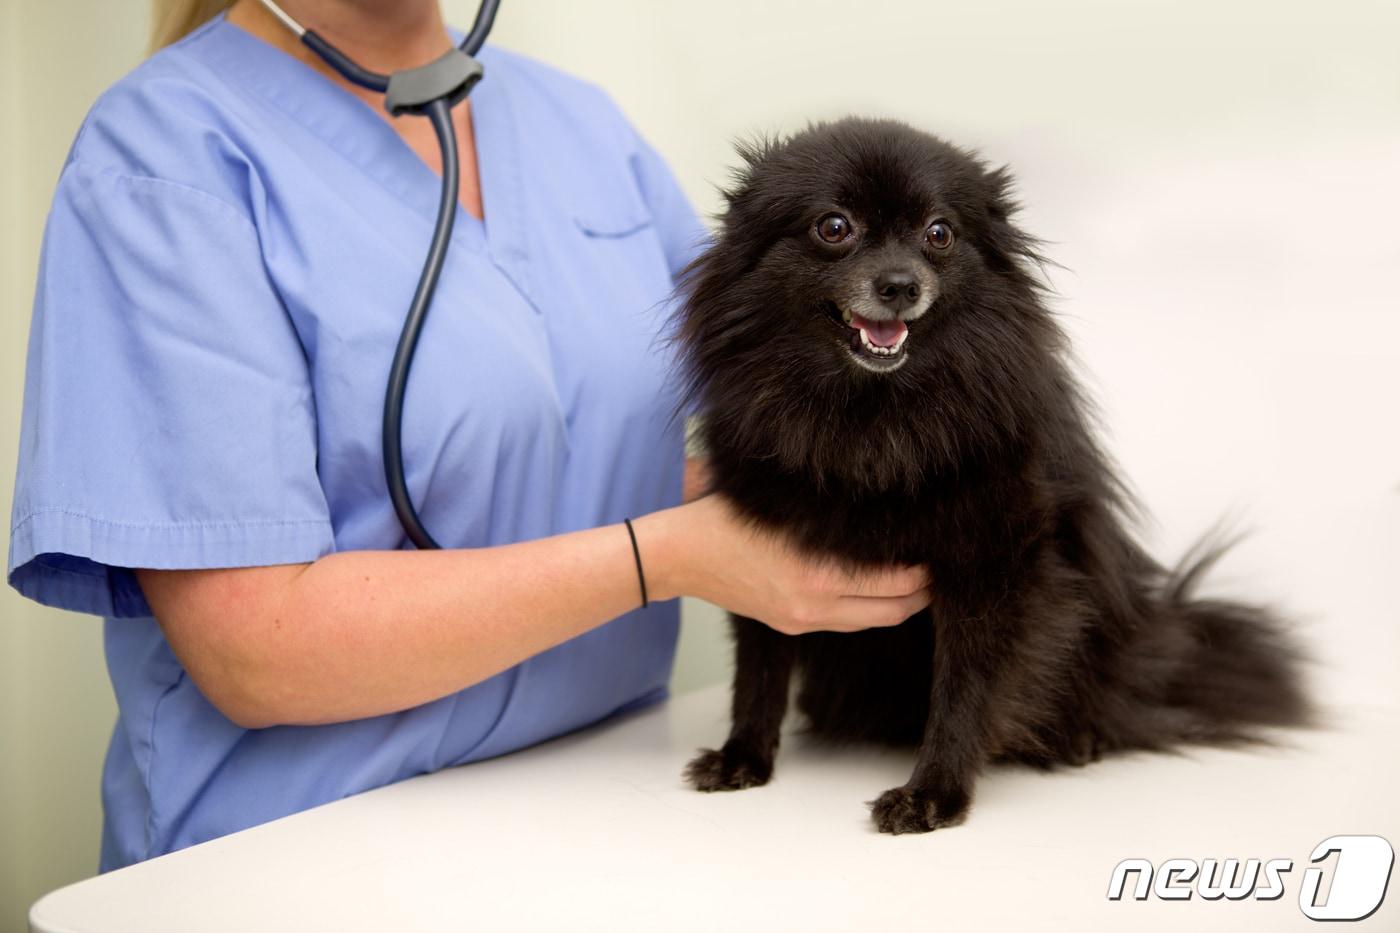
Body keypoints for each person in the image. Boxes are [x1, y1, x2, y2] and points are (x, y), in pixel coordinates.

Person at [6, 0, 933, 871]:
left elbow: (667, 433)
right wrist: (667, 559)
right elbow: (258, 648)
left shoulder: (583, 128)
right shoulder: (166, 156)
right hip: (298, 851)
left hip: (614, 806)